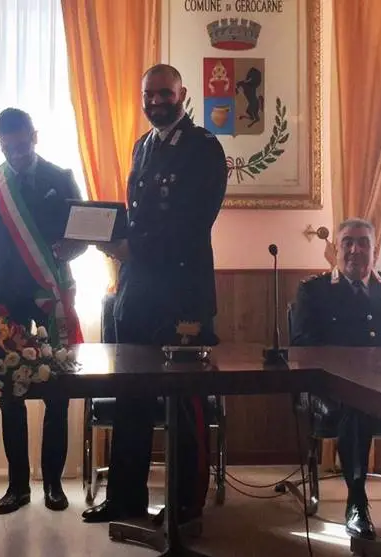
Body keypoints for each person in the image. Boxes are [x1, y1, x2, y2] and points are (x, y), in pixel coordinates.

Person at [82, 64, 227, 524]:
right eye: (149, 94)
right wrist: (104, 236)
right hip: (137, 294)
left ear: (181, 94)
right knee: (131, 397)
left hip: (182, 297)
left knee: (184, 402)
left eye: (164, 93)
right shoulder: (142, 146)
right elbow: (137, 217)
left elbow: (192, 223)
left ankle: (185, 506)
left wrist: (133, 247)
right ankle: (125, 498)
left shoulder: (203, 147)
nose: (156, 101)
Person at [290, 217, 381, 540]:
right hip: (337, 390)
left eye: (363, 243)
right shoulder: (314, 291)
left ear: (375, 251)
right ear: (336, 249)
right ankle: (356, 502)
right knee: (357, 407)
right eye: (347, 242)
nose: (355, 250)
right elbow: (303, 347)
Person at [0, 108, 86, 514]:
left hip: (52, 293)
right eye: (9, 148)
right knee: (10, 391)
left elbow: (82, 232)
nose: (17, 154)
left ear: (34, 136)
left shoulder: (61, 177)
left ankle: (53, 484)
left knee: (57, 390)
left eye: (22, 145)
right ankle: (17, 486)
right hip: (9, 301)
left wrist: (75, 247)